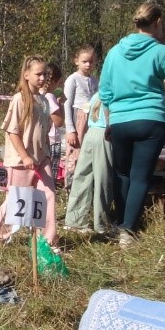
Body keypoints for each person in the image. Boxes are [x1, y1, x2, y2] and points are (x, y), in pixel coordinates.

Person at [99, 3, 165, 245]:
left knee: (122, 174)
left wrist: (111, 120)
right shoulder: (160, 51)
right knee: (140, 176)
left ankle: (120, 224)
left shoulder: (115, 52)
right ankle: (128, 230)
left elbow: (105, 92)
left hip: (119, 120)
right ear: (158, 23)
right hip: (151, 119)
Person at [0, 56, 59, 251]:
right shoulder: (19, 99)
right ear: (26, 75)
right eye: (38, 74)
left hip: (41, 158)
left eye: (44, 74)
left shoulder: (43, 100)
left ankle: (47, 241)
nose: (42, 78)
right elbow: (12, 131)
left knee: (49, 195)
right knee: (16, 201)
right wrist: (24, 156)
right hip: (20, 161)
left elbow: (46, 128)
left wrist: (45, 154)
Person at [64, 94, 114, 234]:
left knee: (82, 177)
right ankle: (101, 223)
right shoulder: (115, 93)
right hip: (105, 134)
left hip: (90, 134)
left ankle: (75, 220)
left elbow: (84, 117)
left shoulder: (97, 94)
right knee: (102, 180)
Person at [62, 47, 100, 189]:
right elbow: (67, 104)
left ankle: (86, 186)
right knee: (74, 154)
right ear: (76, 61)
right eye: (84, 61)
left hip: (92, 119)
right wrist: (70, 129)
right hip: (78, 119)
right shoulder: (73, 79)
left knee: (88, 154)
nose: (88, 65)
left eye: (91, 61)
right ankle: (71, 186)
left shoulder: (95, 80)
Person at [42, 63, 66, 183]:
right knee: (51, 176)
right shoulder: (50, 97)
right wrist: (61, 104)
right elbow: (59, 122)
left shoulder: (40, 94)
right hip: (52, 141)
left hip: (43, 140)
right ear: (56, 81)